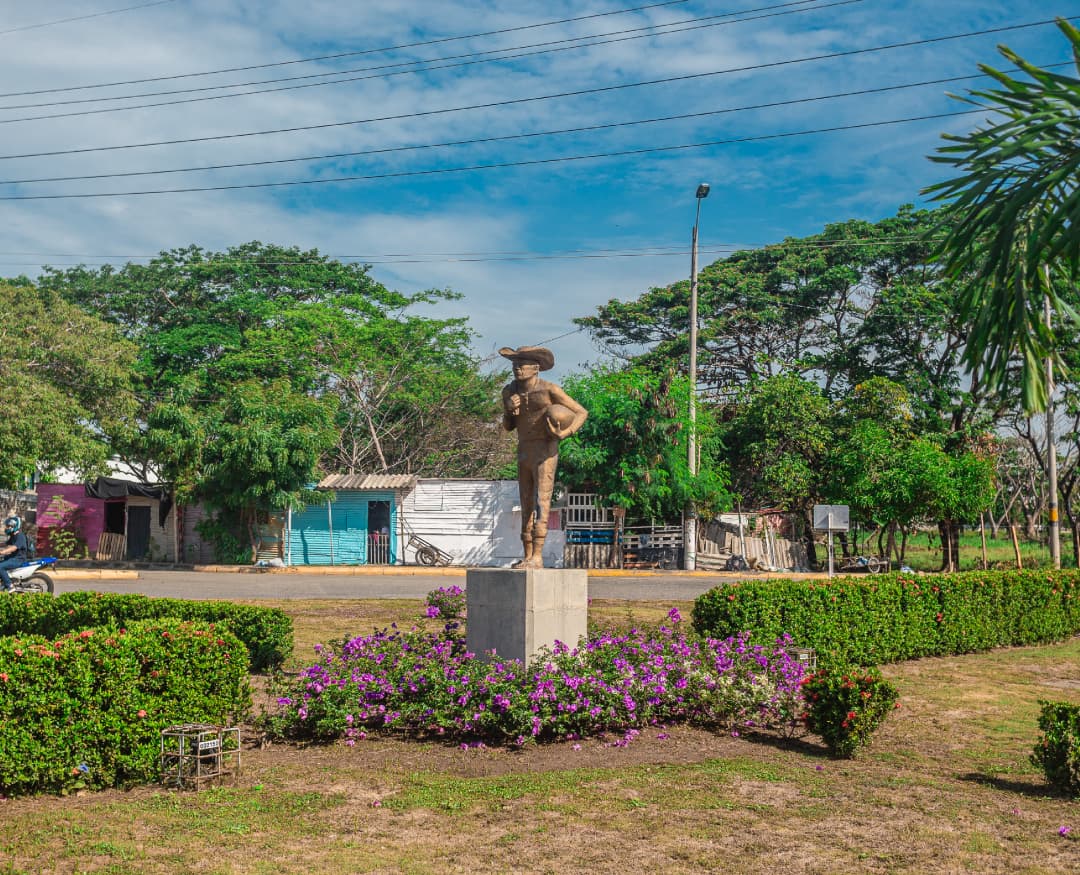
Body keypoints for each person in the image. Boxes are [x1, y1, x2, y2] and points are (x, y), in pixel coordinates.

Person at [500, 345, 587, 568]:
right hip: (524, 449)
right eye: (514, 365)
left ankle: (537, 556)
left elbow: (581, 412)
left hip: (545, 449)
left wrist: (565, 432)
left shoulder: (549, 389)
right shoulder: (509, 391)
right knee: (525, 502)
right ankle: (527, 554)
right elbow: (508, 427)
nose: (517, 369)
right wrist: (509, 410)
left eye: (522, 365)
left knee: (543, 501)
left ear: (535, 368)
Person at [0, 515, 28, 592]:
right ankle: (3, 582)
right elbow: (5, 544)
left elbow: (14, 547)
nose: (6, 528)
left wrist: (2, 552)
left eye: (8, 526)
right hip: (13, 558)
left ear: (14, 526)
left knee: (0, 567)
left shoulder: (20, 536)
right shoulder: (13, 535)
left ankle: (10, 585)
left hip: (18, 559)